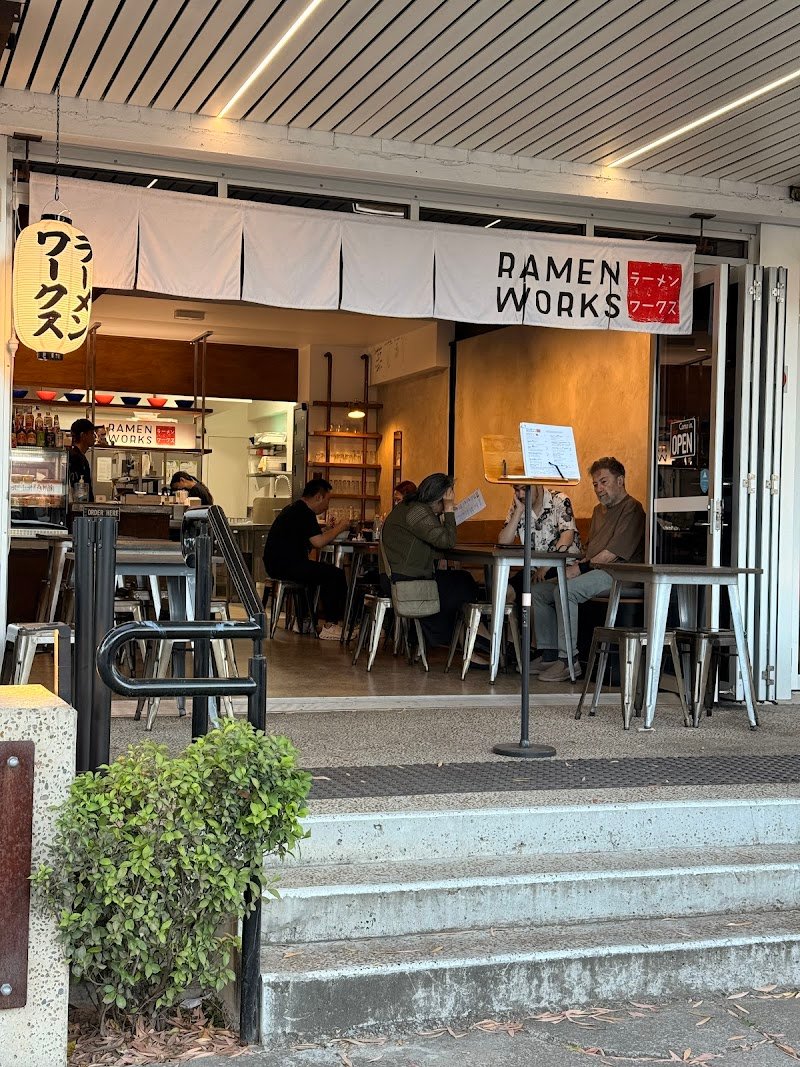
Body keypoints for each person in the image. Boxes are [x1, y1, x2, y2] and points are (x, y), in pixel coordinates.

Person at [531, 457, 646, 682]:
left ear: (620, 480)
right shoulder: (597, 511)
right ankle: (549, 655)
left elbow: (610, 555)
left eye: (603, 482)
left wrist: (579, 569)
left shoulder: (632, 508)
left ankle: (568, 661)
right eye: (595, 484)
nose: (598, 489)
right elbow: (590, 550)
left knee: (565, 590)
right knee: (539, 591)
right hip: (594, 570)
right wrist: (571, 567)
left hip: (619, 574)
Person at [380, 472, 478, 650]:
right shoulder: (418, 511)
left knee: (460, 581)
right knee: (463, 582)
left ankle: (469, 639)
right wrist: (449, 510)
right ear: (439, 498)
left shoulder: (410, 507)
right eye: (447, 499)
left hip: (399, 577)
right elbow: (447, 542)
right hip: (405, 582)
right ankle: (470, 641)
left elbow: (432, 544)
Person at [263, 477, 350, 640]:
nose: (327, 505)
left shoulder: (294, 508)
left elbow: (311, 536)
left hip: (275, 564)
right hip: (287, 565)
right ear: (319, 497)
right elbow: (318, 542)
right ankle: (331, 625)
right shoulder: (305, 512)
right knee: (334, 574)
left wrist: (327, 530)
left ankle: (304, 621)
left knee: (314, 576)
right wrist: (340, 527)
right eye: (327, 500)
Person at [498, 483, 582, 597]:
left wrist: (545, 567)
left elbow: (567, 537)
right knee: (505, 593)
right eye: (516, 490)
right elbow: (503, 542)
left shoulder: (559, 500)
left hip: (562, 566)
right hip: (533, 569)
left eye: (524, 489)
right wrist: (518, 511)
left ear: (538, 484)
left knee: (535, 591)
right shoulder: (518, 504)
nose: (520, 494)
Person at [68, 418, 96, 502]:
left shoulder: (78, 456)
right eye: (91, 433)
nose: (94, 437)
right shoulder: (75, 458)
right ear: (83, 435)